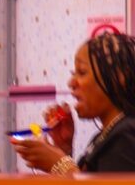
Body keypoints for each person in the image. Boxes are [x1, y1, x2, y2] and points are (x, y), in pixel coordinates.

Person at [9, 30, 135, 176]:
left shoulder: (126, 135)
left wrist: (60, 164)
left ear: (119, 78)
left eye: (82, 72)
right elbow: (88, 181)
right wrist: (64, 149)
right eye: (73, 73)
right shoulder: (106, 135)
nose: (71, 83)